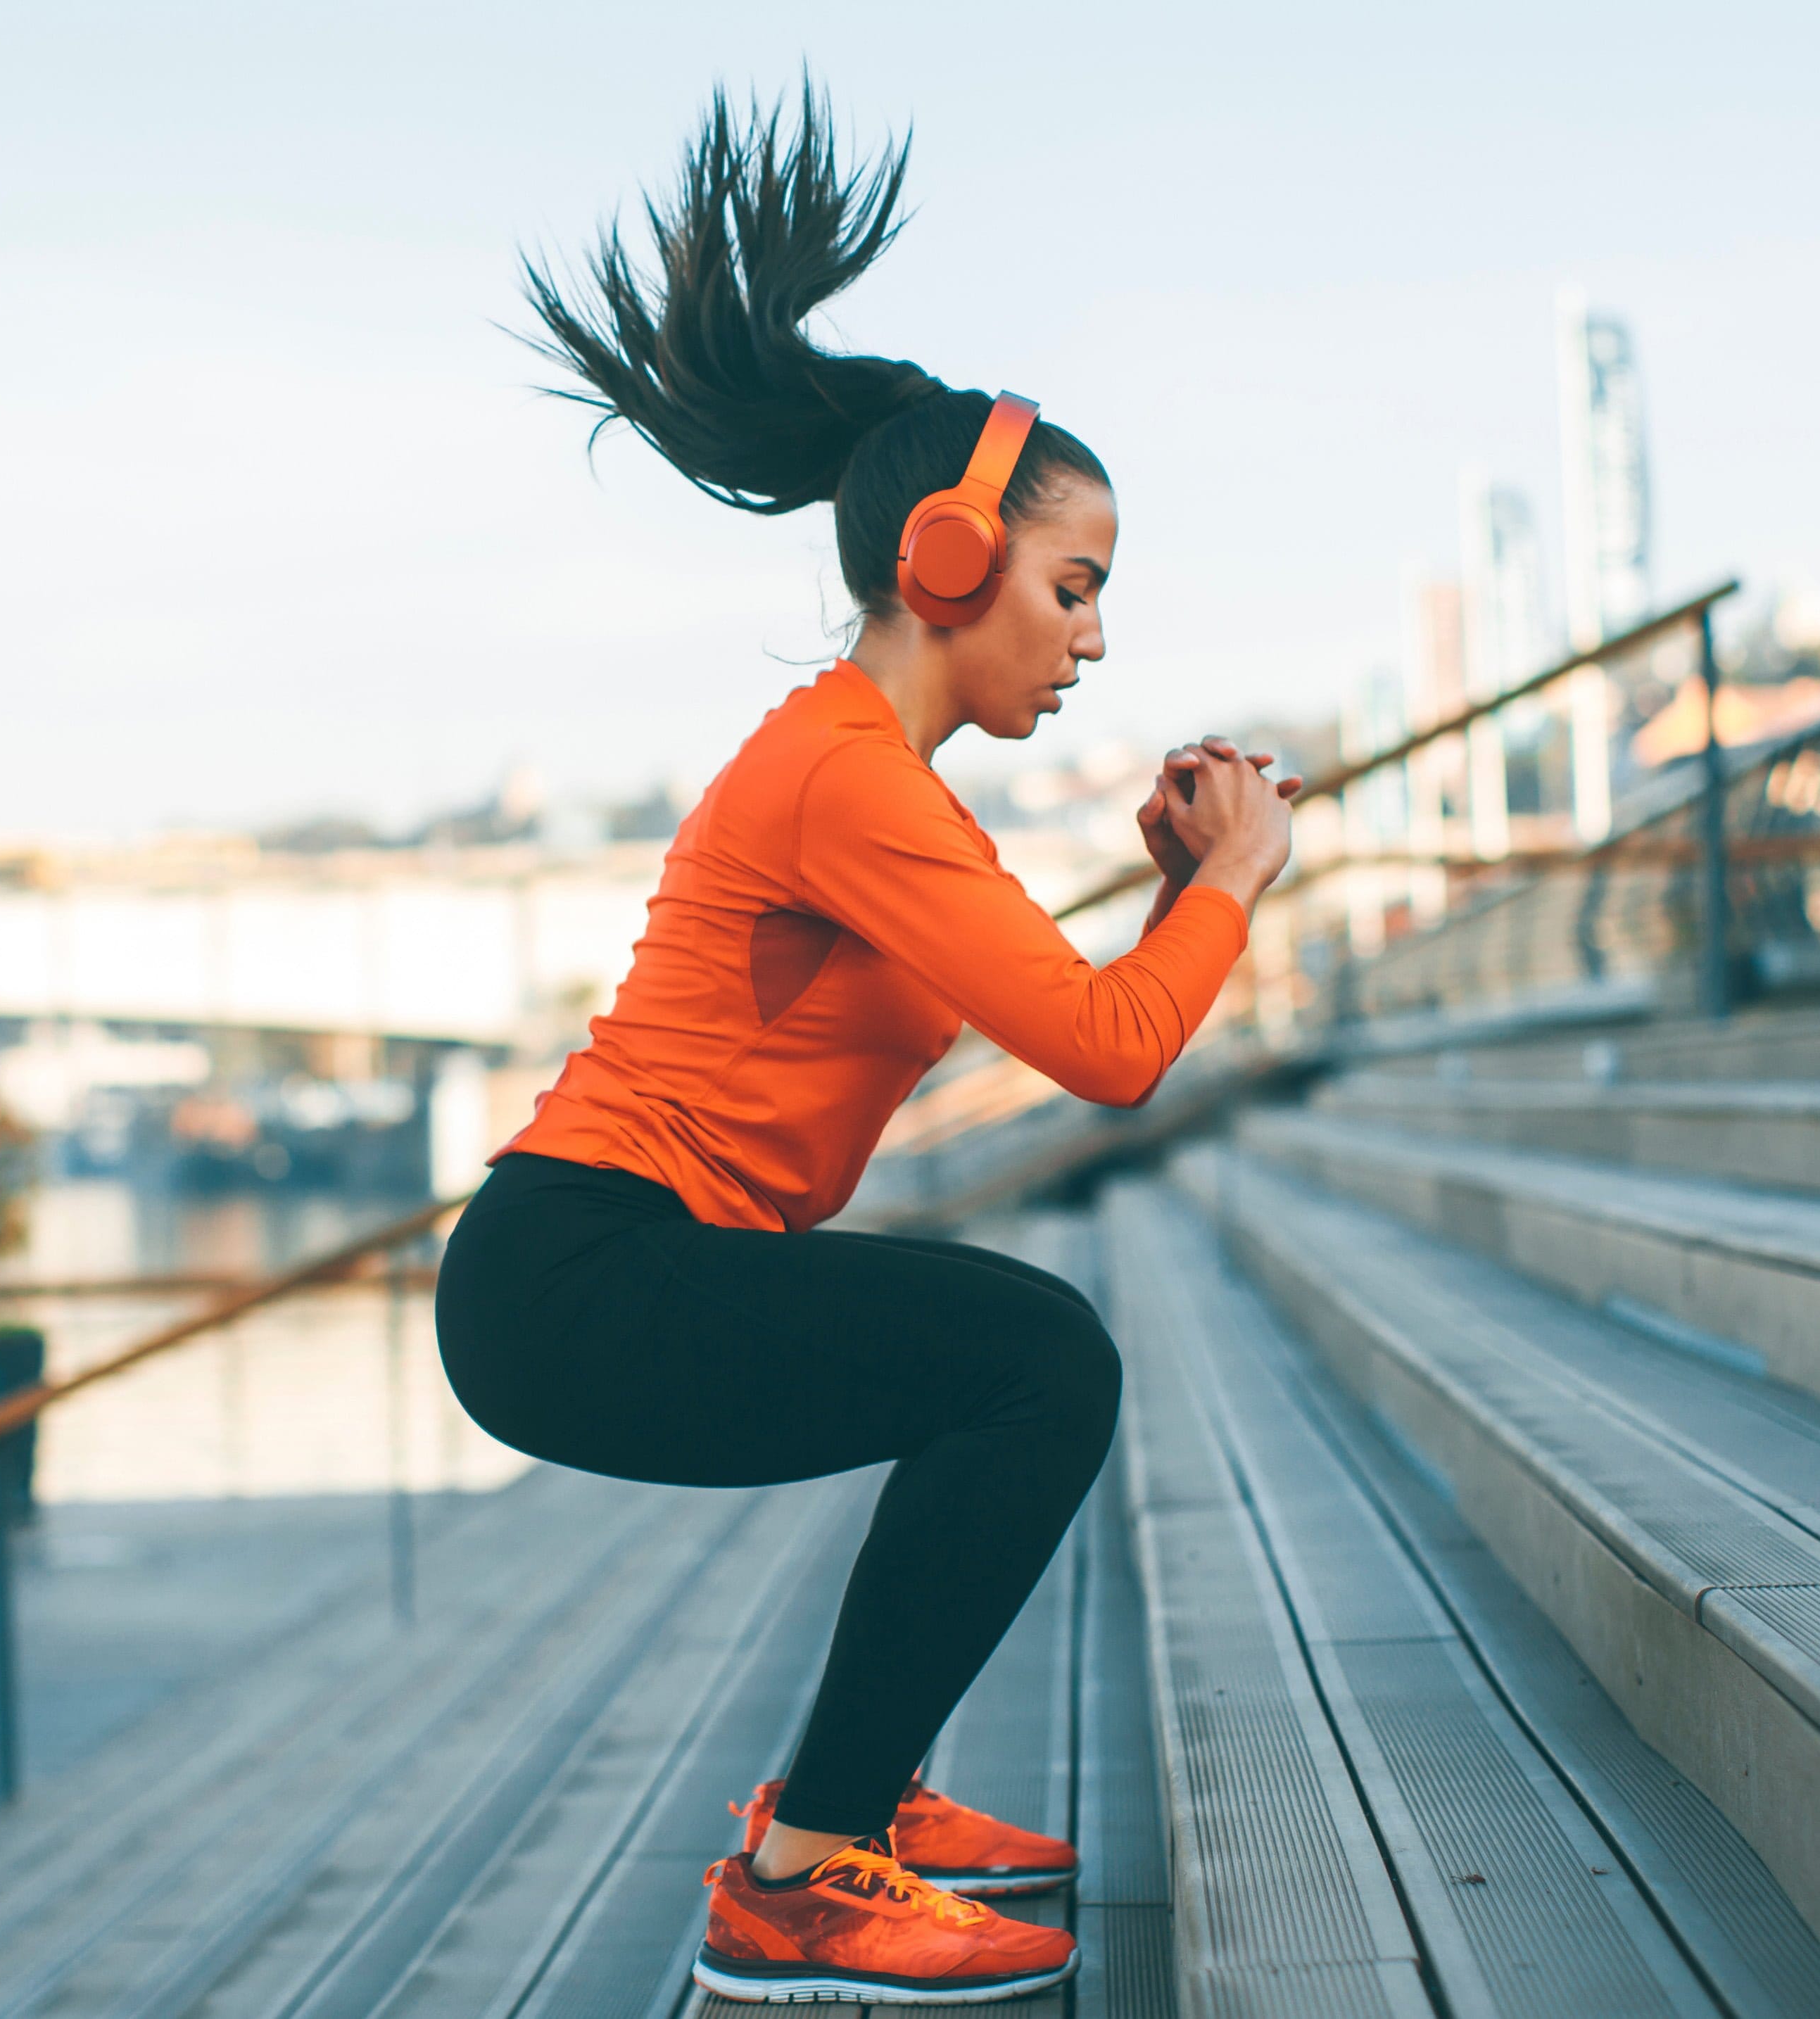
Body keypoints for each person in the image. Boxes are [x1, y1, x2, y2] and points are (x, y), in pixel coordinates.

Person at [436, 90, 1296, 2008]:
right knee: (1035, 1361)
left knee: (1002, 1363)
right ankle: (803, 1880)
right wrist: (1237, 882)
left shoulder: (876, 783)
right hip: (579, 1278)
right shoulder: (850, 780)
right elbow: (1111, 1055)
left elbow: (1083, 1011)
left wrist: (1181, 898)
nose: (1091, 643)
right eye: (1074, 589)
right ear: (948, 560)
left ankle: (850, 1810)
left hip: (606, 1265)